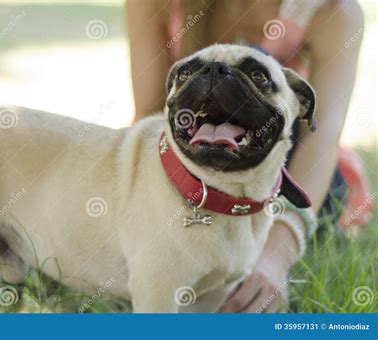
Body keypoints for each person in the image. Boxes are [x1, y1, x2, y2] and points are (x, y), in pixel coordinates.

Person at [127, 0, 366, 312]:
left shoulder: (332, 11)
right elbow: (152, 114)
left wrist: (275, 255)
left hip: (291, 172)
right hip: (190, 159)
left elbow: (320, 139)